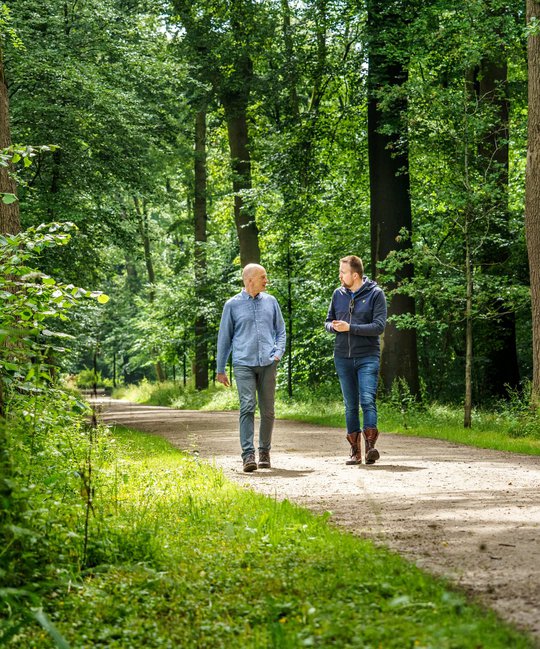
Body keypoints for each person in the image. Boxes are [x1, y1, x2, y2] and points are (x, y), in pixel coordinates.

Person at [216, 263, 286, 472]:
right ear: (250, 280)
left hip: (267, 363)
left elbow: (281, 331)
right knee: (247, 406)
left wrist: (277, 354)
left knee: (268, 411)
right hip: (243, 364)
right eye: (263, 277)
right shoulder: (232, 305)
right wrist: (220, 369)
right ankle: (248, 455)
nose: (266, 281)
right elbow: (224, 338)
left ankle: (264, 451)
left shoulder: (271, 302)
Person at [325, 255, 387, 465]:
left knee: (367, 400)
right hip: (342, 356)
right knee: (350, 405)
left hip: (367, 356)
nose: (340, 276)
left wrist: (351, 328)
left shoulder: (375, 294)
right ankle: (355, 451)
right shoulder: (337, 294)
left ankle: (370, 447)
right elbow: (327, 321)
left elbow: (379, 327)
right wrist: (332, 326)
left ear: (355, 275)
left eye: (343, 272)